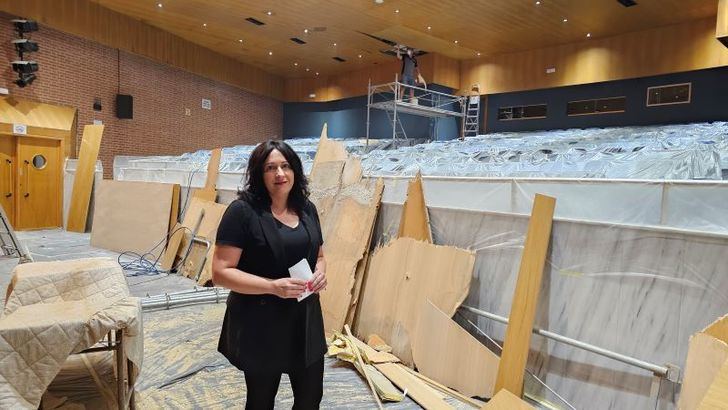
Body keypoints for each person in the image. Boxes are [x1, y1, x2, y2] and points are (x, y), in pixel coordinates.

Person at [212, 140, 328, 410]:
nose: (280, 174)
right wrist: (272, 286)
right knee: (261, 401)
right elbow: (220, 272)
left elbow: (320, 256)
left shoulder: (306, 208)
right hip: (262, 323)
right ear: (258, 173)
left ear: (295, 171)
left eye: (286, 166)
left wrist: (320, 272)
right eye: (270, 167)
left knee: (311, 397)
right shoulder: (242, 212)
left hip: (305, 320)